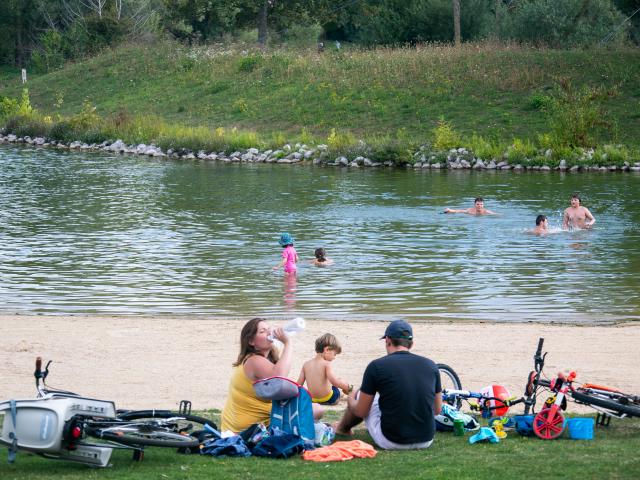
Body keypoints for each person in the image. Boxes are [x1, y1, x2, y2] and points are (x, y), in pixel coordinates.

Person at [334, 320, 442, 450]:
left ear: (388, 340)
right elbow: (437, 410)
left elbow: (361, 412)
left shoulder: (376, 366)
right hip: (426, 440)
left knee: (359, 394)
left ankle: (343, 429)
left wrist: (351, 398)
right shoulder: (431, 365)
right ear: (411, 344)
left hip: (391, 440)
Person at [220, 318, 292, 433]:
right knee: (315, 410)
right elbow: (279, 376)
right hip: (247, 429)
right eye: (263, 331)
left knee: (312, 409)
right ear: (251, 341)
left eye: (269, 329)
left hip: (234, 427)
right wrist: (287, 343)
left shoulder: (259, 359)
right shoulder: (254, 361)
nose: (269, 333)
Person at [297, 334, 352, 409]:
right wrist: (349, 388)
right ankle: (349, 393)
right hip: (329, 399)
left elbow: (299, 385)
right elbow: (334, 382)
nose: (334, 357)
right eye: (334, 354)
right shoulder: (326, 364)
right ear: (327, 350)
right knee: (339, 380)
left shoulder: (306, 364)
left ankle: (342, 395)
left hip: (313, 400)